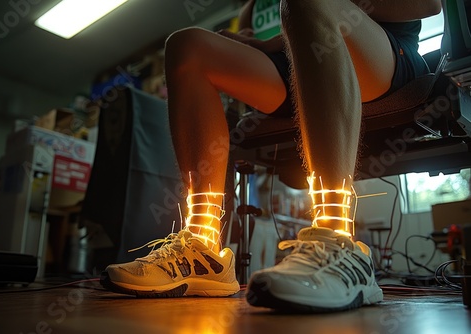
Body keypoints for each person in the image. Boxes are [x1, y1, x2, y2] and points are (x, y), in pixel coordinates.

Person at [101, 0, 442, 312]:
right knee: (186, 45)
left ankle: (338, 239)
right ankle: (202, 248)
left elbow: (429, 5)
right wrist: (263, 44)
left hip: (382, 54)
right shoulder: (252, 7)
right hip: (293, 67)